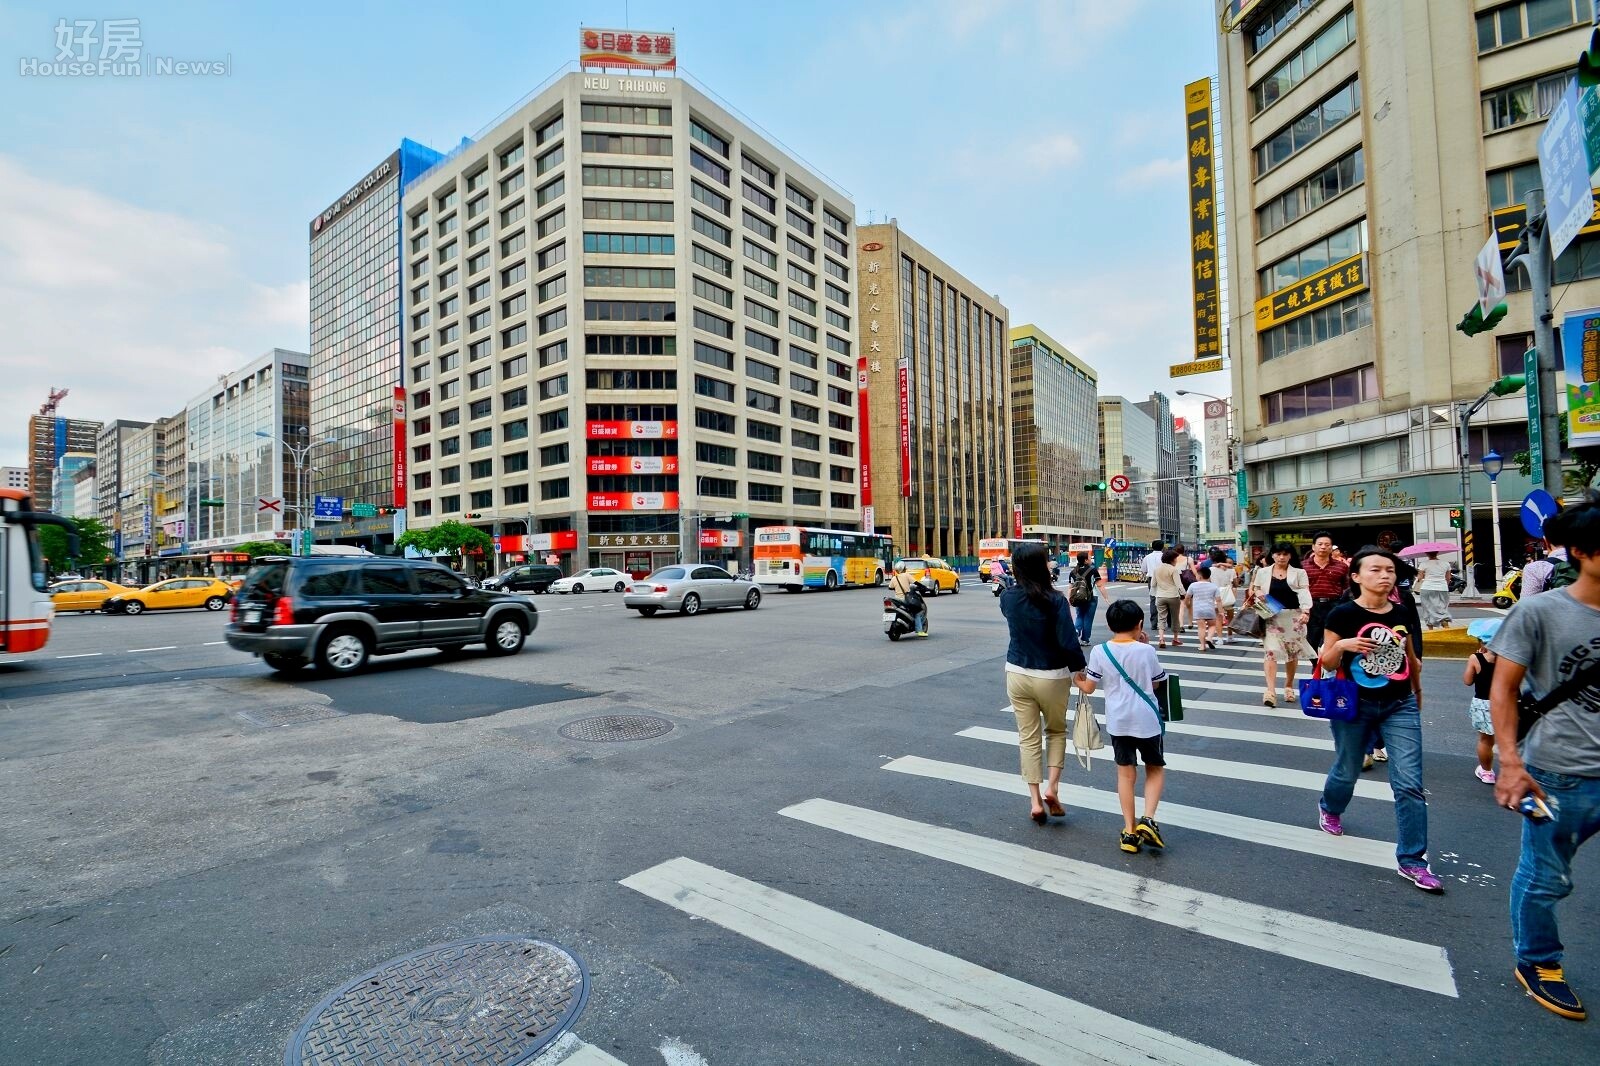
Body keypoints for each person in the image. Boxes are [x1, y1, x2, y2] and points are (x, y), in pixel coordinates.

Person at [1488, 492, 1600, 1021]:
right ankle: (1537, 960)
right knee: (1547, 876)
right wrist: (1510, 763)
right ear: (1582, 551)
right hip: (1561, 772)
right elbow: (1503, 690)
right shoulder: (1540, 611)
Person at [1316, 546, 1440, 893]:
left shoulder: (1402, 611)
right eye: (1375, 570)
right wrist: (1344, 647)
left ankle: (1413, 860)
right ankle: (1330, 806)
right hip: (1352, 703)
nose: (1385, 575)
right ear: (1355, 577)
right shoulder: (1341, 615)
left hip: (1398, 704)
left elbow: (1412, 657)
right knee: (1348, 768)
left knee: (1409, 783)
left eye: (1389, 570)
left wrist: (1417, 693)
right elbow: (1326, 662)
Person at [1001, 542, 1087, 824]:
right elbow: (1067, 641)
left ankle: (1035, 801)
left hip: (1017, 672)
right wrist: (1079, 670)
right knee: (1056, 731)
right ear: (1042, 566)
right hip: (1051, 675)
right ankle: (1053, 787)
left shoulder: (1008, 597)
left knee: (1027, 738)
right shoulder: (1056, 601)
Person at [1076, 600, 1168, 854]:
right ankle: (1148, 820)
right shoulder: (1146, 651)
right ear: (1140, 625)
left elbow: (1089, 687)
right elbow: (1158, 684)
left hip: (1118, 722)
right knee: (1155, 768)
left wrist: (1076, 678)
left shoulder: (1099, 651)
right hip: (1147, 721)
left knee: (1125, 775)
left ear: (1109, 624)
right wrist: (1144, 647)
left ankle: (1129, 831)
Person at [1246, 543, 1312, 707]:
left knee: (1292, 654)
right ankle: (1270, 691)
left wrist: (1306, 612)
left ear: (1290, 556)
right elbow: (1255, 589)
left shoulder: (1299, 573)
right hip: (1272, 616)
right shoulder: (1263, 572)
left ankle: (1288, 686)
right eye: (1278, 554)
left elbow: (1304, 592)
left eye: (1285, 554)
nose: (1281, 557)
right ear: (1272, 555)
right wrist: (1261, 596)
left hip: (1294, 617)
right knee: (1271, 652)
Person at [1302, 532, 1350, 653]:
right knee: (1312, 640)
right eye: (1320, 544)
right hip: (1312, 606)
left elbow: (1346, 587)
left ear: (1331, 547)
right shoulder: (1302, 566)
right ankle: (1316, 667)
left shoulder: (1341, 567)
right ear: (1313, 547)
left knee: (1332, 639)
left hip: (1334, 605)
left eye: (1327, 544)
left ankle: (1327, 667)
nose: (1323, 547)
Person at [1463, 639, 1498, 785]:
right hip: (1506, 703)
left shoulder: (1475, 658)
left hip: (1484, 704)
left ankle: (1487, 772)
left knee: (1486, 740)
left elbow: (1467, 681)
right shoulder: (1509, 659)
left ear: (1482, 642)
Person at [1066, 550, 1108, 644]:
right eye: (1089, 558)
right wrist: (1106, 598)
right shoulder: (1092, 570)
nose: (1090, 559)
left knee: (1080, 615)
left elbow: (1070, 587)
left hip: (1077, 597)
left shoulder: (1073, 572)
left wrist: (1069, 599)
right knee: (1088, 618)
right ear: (1085, 560)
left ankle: (1076, 630)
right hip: (1092, 597)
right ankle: (1085, 639)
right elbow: (1100, 585)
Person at [1152, 548, 1186, 648]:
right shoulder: (1173, 570)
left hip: (1160, 596)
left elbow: (1153, 583)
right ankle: (1175, 639)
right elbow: (1179, 585)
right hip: (1173, 596)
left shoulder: (1156, 569)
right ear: (1171, 559)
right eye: (1175, 559)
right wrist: (1184, 594)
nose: (1176, 561)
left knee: (1161, 618)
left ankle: (1161, 639)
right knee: (1175, 618)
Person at [1414, 550, 1456, 628]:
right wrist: (1443, 585)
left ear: (1426, 553)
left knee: (1427, 608)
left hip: (1427, 588)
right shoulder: (1446, 564)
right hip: (1443, 588)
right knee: (1442, 607)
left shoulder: (1423, 564)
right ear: (1437, 553)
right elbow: (1448, 578)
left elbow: (1420, 577)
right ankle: (1445, 623)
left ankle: (1431, 629)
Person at [887, 564, 928, 637]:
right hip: (906, 599)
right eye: (905, 567)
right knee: (917, 612)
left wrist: (897, 588)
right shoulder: (906, 575)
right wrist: (924, 587)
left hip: (897, 599)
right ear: (903, 568)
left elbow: (890, 587)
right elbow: (916, 583)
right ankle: (919, 631)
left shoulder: (894, 578)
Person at [1186, 563, 1220, 651]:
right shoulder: (1214, 586)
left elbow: (1187, 597)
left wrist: (1187, 604)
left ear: (1199, 576)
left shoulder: (1193, 585)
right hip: (1210, 609)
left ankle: (1202, 646)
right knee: (1212, 625)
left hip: (1198, 610)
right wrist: (1221, 611)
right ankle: (1209, 638)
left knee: (1201, 628)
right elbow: (1219, 600)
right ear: (1209, 576)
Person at [1210, 550, 1238, 644]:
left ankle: (1220, 638)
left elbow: (1208, 583)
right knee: (1230, 617)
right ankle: (1230, 636)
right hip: (1228, 595)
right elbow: (1236, 584)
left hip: (1216, 596)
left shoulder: (1211, 570)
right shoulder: (1231, 570)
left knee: (1218, 618)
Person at [1141, 539, 1164, 628]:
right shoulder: (1164, 556)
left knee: (1153, 600)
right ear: (1162, 547)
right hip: (1164, 578)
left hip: (1151, 578)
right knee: (1166, 598)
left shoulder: (1147, 557)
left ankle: (1154, 623)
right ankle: (1168, 621)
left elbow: (1143, 570)